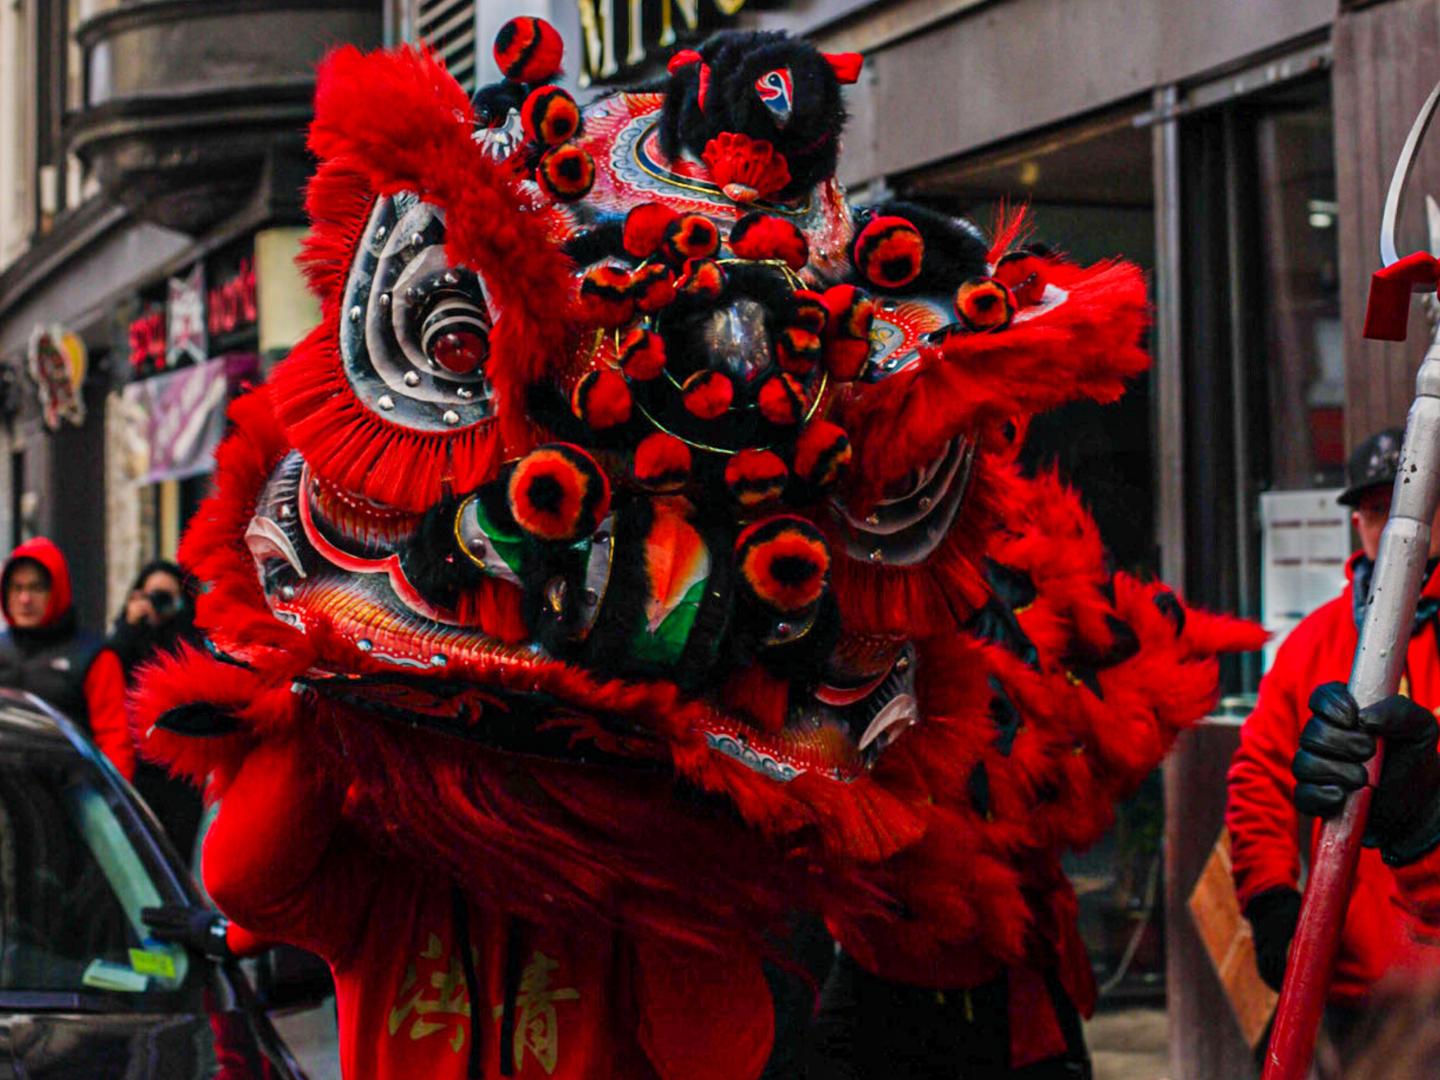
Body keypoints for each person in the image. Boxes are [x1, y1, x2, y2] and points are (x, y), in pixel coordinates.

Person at [1226, 428, 1440, 1049]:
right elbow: (1257, 776)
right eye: (1375, 510)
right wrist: (1270, 900)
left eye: (1412, 506)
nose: (1391, 524)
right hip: (1346, 982)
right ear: (1357, 524)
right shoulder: (1313, 643)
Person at [0, 537, 131, 778]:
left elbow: (115, 741)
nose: (25, 599)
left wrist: (105, 808)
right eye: (16, 588)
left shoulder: (93, 657)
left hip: (68, 799)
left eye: (36, 588)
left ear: (57, 590)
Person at [109, 559, 205, 858]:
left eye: (166, 597)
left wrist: (175, 618)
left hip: (181, 773)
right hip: (137, 765)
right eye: (152, 595)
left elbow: (195, 672)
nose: (158, 603)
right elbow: (112, 670)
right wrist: (131, 624)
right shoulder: (130, 634)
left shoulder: (190, 636)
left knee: (176, 856)